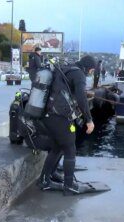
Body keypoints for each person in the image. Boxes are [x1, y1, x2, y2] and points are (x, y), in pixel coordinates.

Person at [37, 55, 96, 195]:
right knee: (70, 148)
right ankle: (69, 186)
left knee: (57, 147)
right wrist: (89, 120)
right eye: (92, 70)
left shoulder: (67, 69)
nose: (91, 73)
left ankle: (45, 179)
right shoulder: (79, 75)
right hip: (59, 116)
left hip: (48, 114)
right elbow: (82, 99)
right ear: (88, 68)